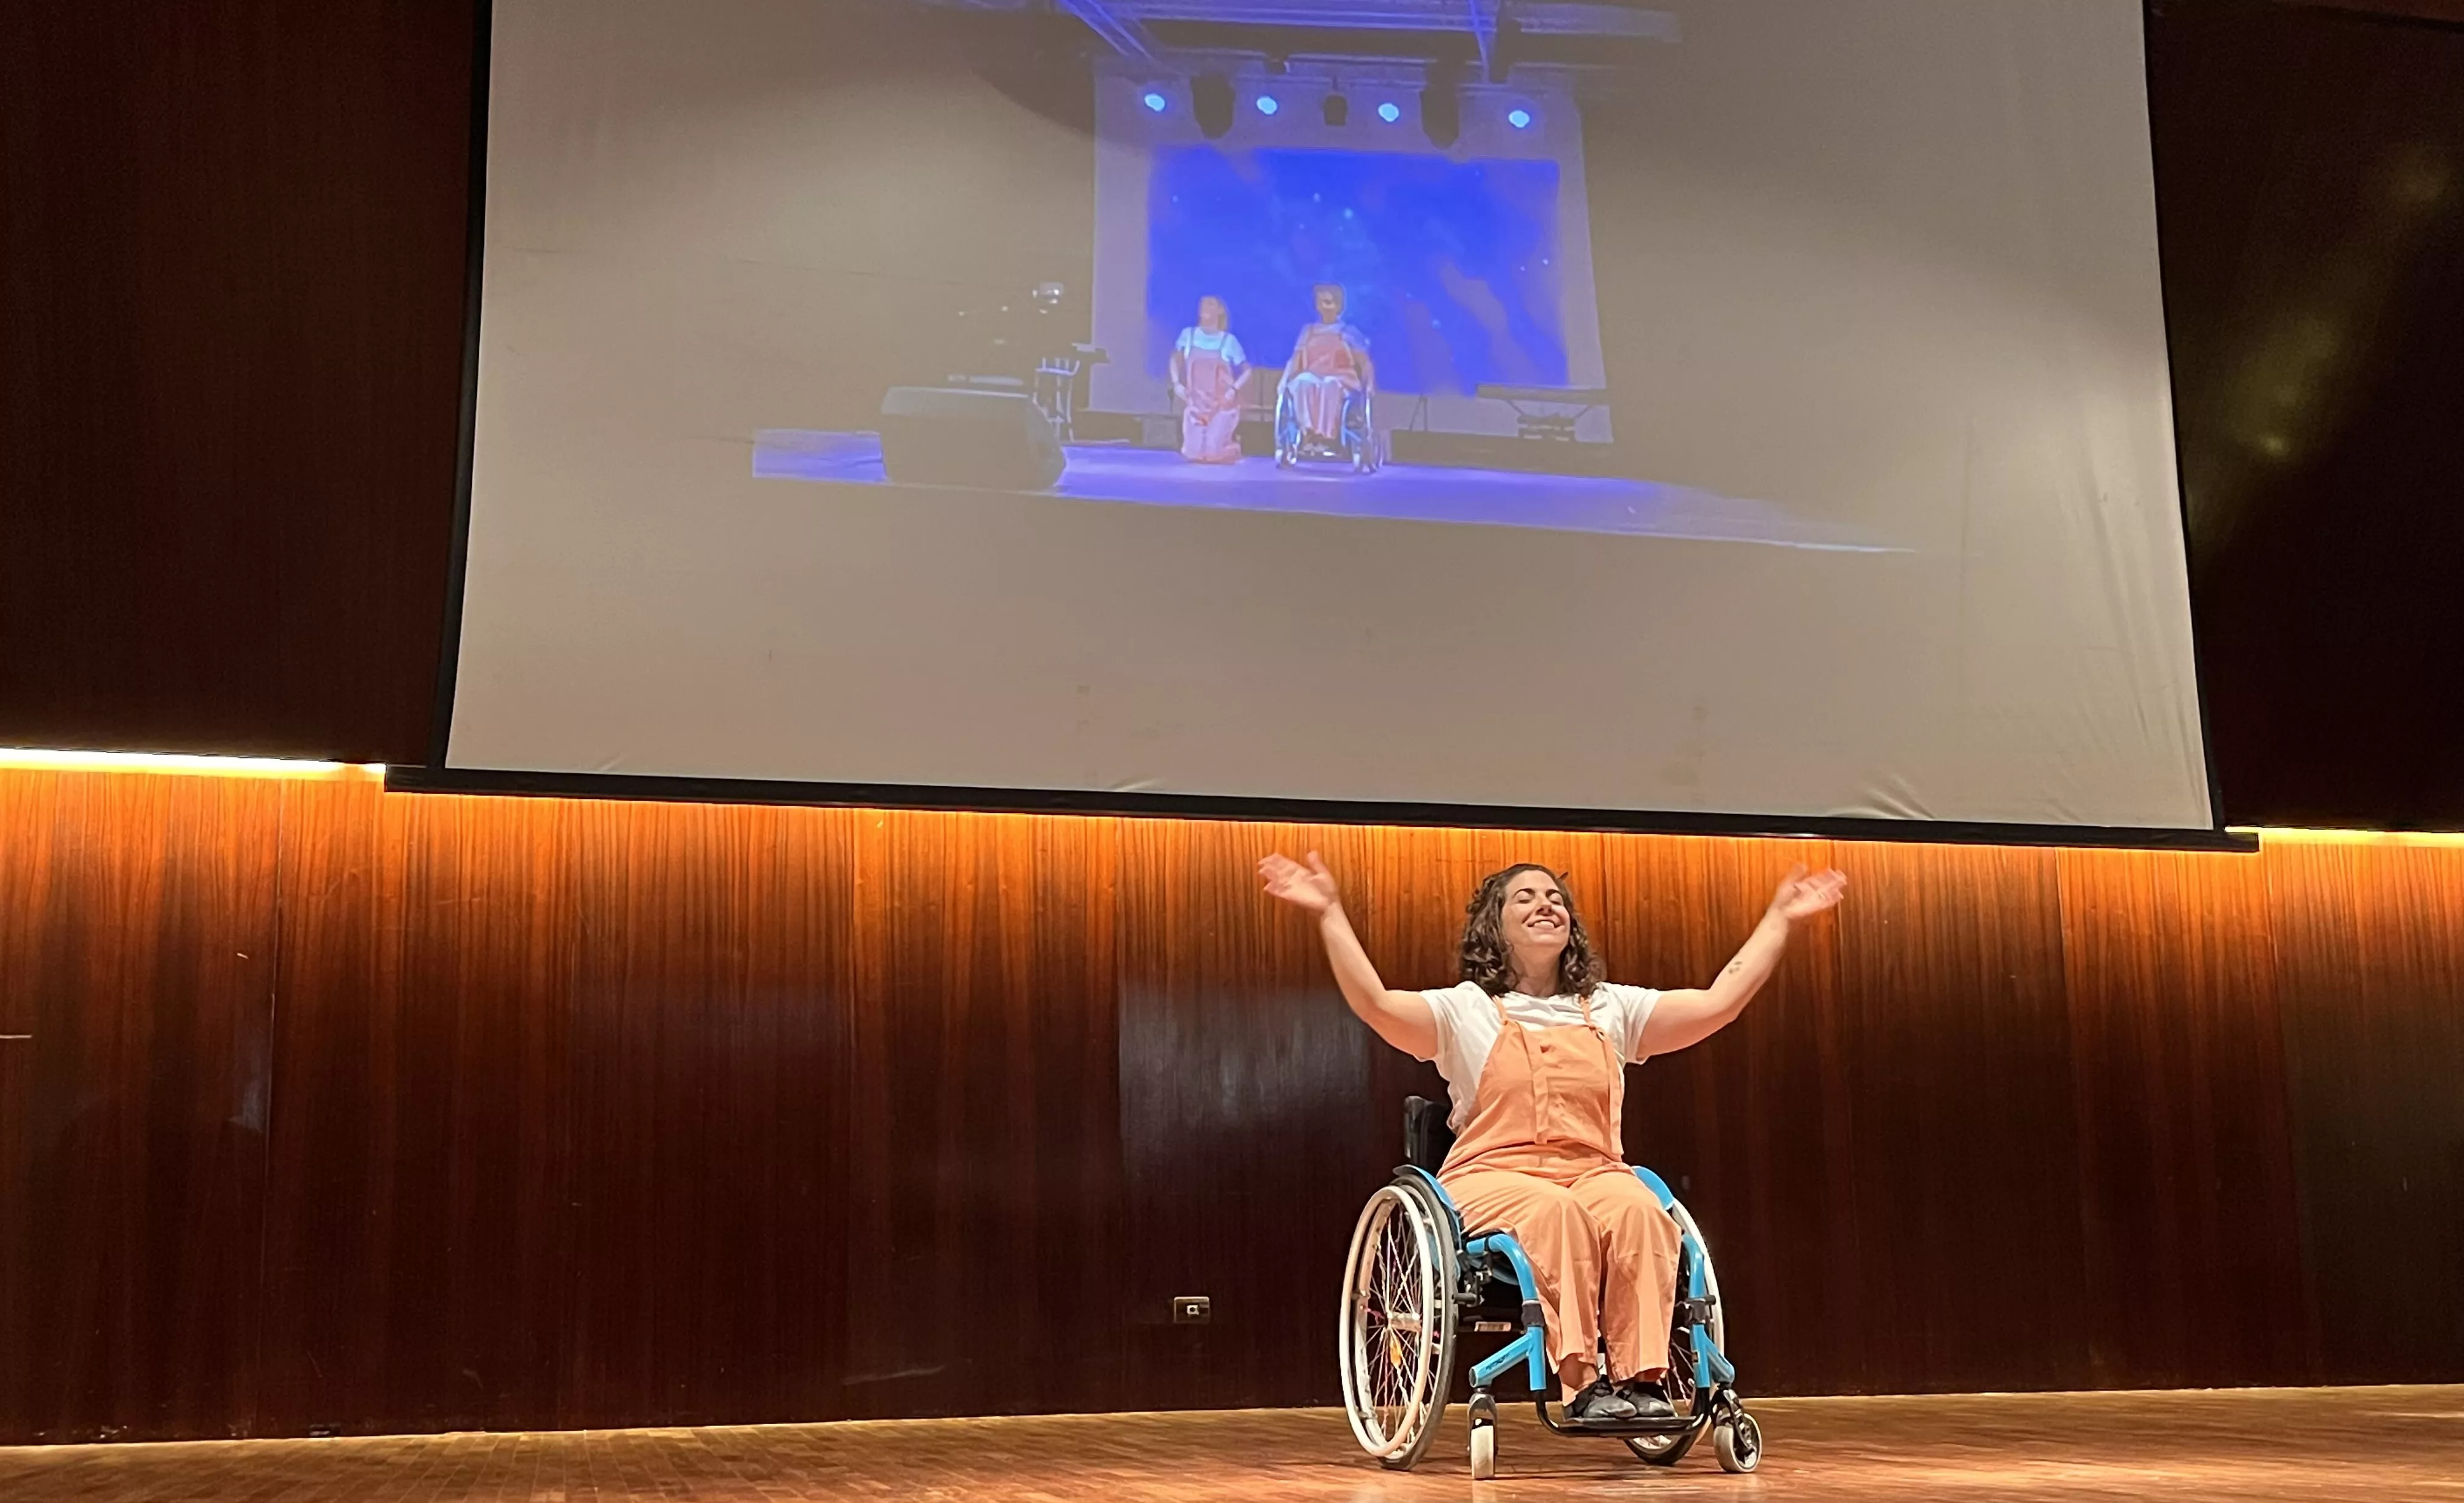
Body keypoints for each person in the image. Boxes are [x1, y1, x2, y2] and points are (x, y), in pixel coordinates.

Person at [1258, 853, 1847, 1425]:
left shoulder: (1611, 1007)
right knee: (1557, 1212)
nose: (1547, 905)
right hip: (1494, 1176)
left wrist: (1780, 919)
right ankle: (1582, 1383)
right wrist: (1330, 912)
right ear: (1496, 924)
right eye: (1527, 896)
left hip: (1595, 1170)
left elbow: (1719, 1002)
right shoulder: (1466, 1010)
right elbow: (1377, 1004)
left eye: (1556, 897)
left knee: (1642, 1212)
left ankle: (1641, 1381)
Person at [1278, 283, 1374, 448]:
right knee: (1302, 382)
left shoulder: (1348, 332)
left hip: (1341, 378)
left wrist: (1370, 385)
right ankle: (1308, 431)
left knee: (1330, 385)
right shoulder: (1308, 331)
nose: (1325, 306)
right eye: (1322, 302)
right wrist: (1284, 380)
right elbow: (1295, 358)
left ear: (1339, 306)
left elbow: (1364, 362)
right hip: (1312, 375)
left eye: (1330, 302)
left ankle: (1326, 435)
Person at [1170, 296, 1250, 464]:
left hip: (1222, 406)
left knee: (1214, 453)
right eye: (1203, 304)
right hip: (1196, 405)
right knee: (1193, 454)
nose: (1204, 307)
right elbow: (1175, 359)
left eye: (1211, 304)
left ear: (1221, 310)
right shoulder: (1189, 335)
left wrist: (1233, 390)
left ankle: (1233, 446)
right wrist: (1177, 383)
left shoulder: (1228, 341)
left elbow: (1247, 371)